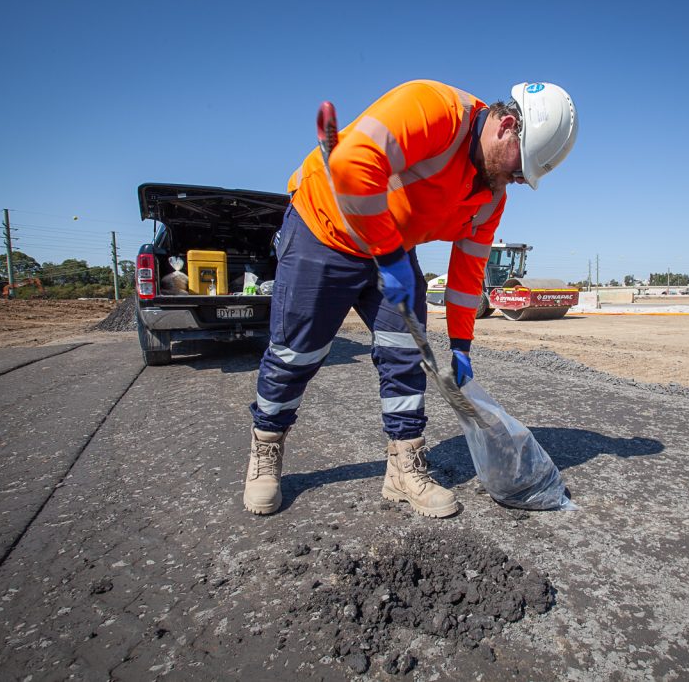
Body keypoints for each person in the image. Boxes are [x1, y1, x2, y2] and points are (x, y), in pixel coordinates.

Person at [244, 80, 578, 517]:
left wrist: (461, 346)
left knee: (405, 354)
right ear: (508, 126)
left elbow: (466, 275)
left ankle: (404, 469)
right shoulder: (432, 108)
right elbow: (351, 164)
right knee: (296, 353)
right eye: (520, 167)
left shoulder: (490, 199)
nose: (516, 180)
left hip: (390, 249)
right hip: (325, 229)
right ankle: (266, 449)